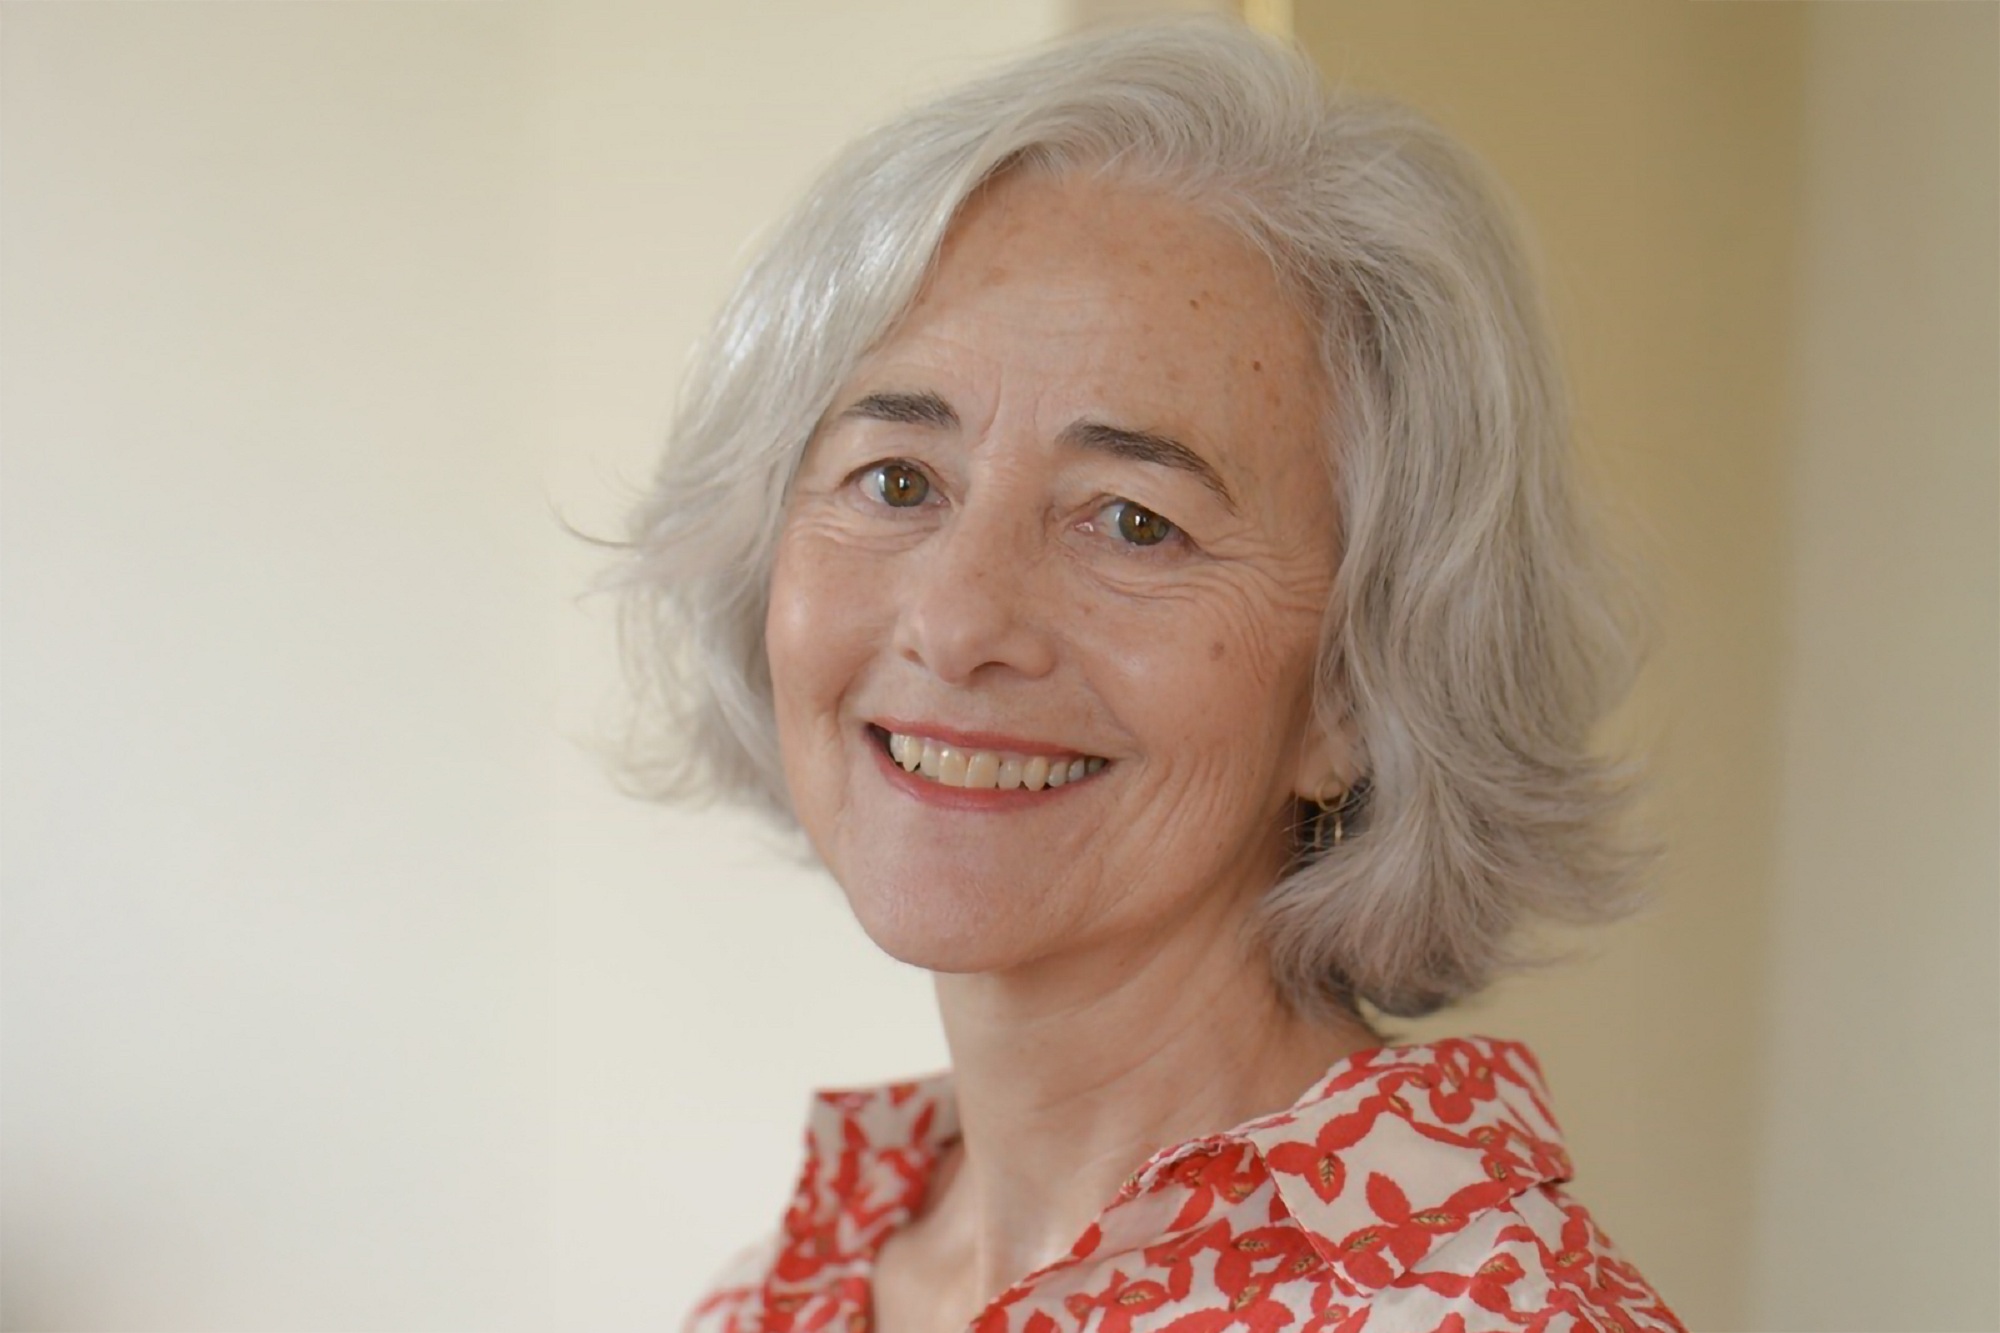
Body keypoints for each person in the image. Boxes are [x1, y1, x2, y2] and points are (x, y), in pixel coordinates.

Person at [615, 19, 1681, 1333]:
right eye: (896, 480)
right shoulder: (775, 1298)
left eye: (1133, 521)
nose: (956, 620)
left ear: (1358, 684)